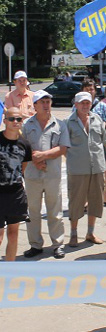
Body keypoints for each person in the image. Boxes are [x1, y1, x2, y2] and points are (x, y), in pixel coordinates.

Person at [22, 90, 70, 259]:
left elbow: (63, 148)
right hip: (32, 176)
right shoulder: (27, 125)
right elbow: (22, 148)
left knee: (55, 211)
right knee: (33, 212)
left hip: (52, 175)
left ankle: (58, 244)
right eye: (42, 102)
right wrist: (35, 159)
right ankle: (35, 244)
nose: (46, 104)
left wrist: (43, 156)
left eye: (48, 101)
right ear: (34, 105)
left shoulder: (59, 124)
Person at [65, 92, 106, 247]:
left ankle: (90, 232)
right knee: (76, 203)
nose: (85, 106)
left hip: (96, 167)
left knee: (95, 201)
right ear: (75, 104)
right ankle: (73, 234)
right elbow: (64, 147)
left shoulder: (97, 119)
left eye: (87, 103)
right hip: (77, 170)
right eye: (82, 103)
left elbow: (104, 141)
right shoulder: (68, 123)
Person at [0, 107, 32, 261]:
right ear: (5, 120)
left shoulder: (25, 144)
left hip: (16, 195)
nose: (15, 122)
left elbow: (23, 168)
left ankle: (8, 269)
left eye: (19, 119)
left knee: (13, 234)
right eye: (12, 119)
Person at [81, 79, 106, 208]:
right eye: (87, 88)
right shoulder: (76, 105)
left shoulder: (102, 106)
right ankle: (85, 200)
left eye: (92, 89)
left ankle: (104, 197)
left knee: (103, 172)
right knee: (84, 173)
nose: (90, 91)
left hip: (99, 144)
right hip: (83, 145)